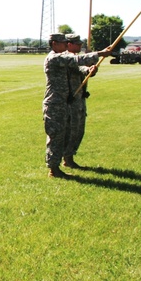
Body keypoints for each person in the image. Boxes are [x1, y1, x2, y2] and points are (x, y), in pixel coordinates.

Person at [43, 33, 109, 178]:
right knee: (56, 136)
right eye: (63, 43)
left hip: (67, 103)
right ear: (54, 43)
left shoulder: (63, 59)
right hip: (55, 104)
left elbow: (77, 68)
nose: (66, 45)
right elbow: (75, 59)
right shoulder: (54, 58)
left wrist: (89, 70)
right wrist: (100, 53)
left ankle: (65, 161)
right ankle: (54, 169)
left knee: (68, 134)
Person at [63, 34, 95, 169]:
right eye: (77, 44)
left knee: (78, 131)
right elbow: (76, 66)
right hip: (68, 100)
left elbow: (82, 69)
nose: (80, 46)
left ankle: (69, 157)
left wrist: (90, 69)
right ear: (69, 44)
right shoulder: (65, 57)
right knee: (69, 130)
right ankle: (65, 159)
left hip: (79, 99)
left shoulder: (78, 58)